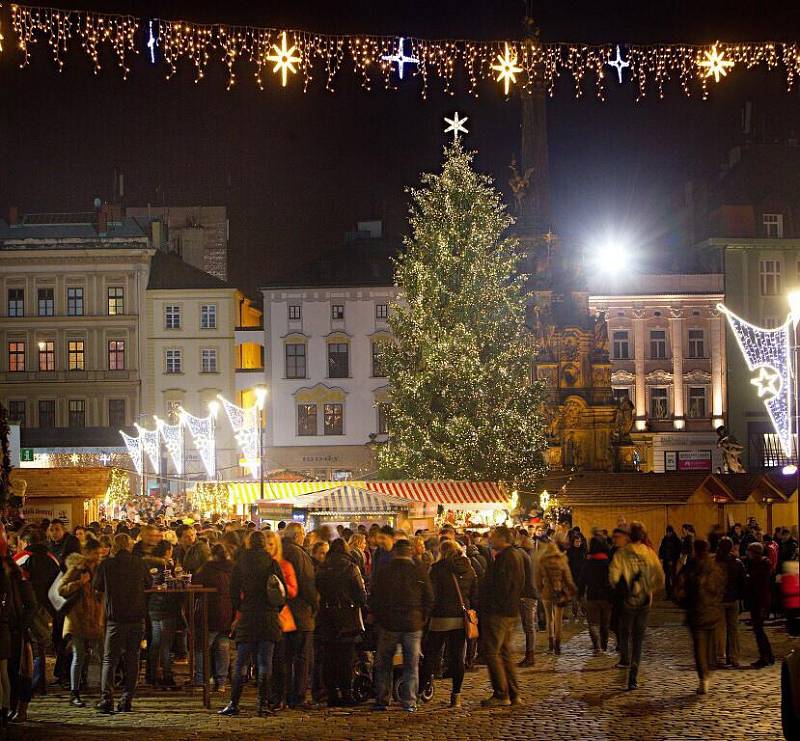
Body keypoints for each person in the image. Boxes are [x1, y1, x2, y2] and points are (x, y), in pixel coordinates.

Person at [219, 530, 286, 717]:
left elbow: (232, 592)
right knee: (265, 663)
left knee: (241, 661)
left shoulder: (241, 563)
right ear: (264, 544)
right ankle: (263, 704)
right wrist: (274, 610)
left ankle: (234, 702)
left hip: (248, 616)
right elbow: (282, 593)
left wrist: (241, 607)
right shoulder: (272, 563)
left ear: (249, 543)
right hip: (268, 616)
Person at [369, 539, 433, 712]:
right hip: (412, 623)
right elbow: (429, 596)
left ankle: (382, 699)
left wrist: (379, 618)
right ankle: (409, 701)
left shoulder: (385, 571)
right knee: (411, 664)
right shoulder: (418, 570)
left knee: (384, 664)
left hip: (389, 623)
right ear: (410, 551)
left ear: (395, 552)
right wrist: (422, 618)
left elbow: (374, 597)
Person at [93, 533, 150, 714]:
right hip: (136, 617)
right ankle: (127, 699)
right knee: (132, 659)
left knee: (110, 659)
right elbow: (149, 584)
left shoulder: (106, 565)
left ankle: (106, 699)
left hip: (115, 618)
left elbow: (97, 586)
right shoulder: (139, 563)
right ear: (129, 545)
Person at [609, 521, 664, 691]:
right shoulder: (649, 553)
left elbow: (613, 577)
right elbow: (660, 578)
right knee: (638, 639)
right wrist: (649, 589)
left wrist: (621, 586)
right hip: (645, 600)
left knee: (625, 633)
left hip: (627, 600)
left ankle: (625, 658)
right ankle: (634, 673)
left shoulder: (622, 553)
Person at [420, 539, 476, 708]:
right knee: (457, 657)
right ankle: (456, 696)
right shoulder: (469, 569)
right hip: (460, 618)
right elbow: (474, 593)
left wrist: (426, 615)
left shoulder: (437, 569)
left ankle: (421, 690)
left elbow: (431, 595)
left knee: (431, 655)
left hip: (440, 618)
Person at [315, 538, 367, 706]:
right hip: (346, 615)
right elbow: (360, 594)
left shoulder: (322, 567)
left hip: (326, 615)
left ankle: (331, 694)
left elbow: (317, 589)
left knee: (329, 657)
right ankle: (346, 693)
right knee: (346, 658)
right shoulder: (351, 567)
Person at [479, 525, 525, 707]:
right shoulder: (515, 556)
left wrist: (490, 606)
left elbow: (501, 587)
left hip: (498, 613)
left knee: (492, 653)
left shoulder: (505, 558)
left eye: (493, 536)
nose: (490, 539)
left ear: (502, 538)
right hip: (509, 611)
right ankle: (514, 693)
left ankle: (501, 693)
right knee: (505, 653)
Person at [58, 537, 105, 707]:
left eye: (99, 553)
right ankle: (74, 692)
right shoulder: (77, 569)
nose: (97, 556)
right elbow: (61, 590)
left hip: (95, 617)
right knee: (79, 656)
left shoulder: (100, 569)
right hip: (77, 618)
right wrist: (80, 582)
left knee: (99, 655)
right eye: (94, 553)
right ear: (86, 553)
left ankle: (101, 689)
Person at [14, 528, 60, 694]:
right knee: (41, 646)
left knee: (26, 647)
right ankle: (39, 683)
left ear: (26, 542)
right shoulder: (52, 558)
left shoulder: (21, 558)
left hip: (25, 609)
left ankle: (29, 684)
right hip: (47, 608)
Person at [675, 539, 724, 695]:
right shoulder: (715, 567)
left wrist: (683, 603)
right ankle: (708, 671)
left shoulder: (690, 567)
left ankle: (703, 678)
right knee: (709, 645)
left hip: (696, 612)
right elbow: (721, 588)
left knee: (699, 647)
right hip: (712, 612)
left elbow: (678, 587)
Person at [280, 522, 319, 710]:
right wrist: (314, 604)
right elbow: (306, 582)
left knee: (285, 656)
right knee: (302, 656)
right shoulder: (298, 553)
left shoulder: (280, 550)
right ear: (298, 535)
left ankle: (284, 695)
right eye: (303, 533)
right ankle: (298, 696)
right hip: (300, 611)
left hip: (282, 612)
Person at [0, 524, 35, 724]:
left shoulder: (18, 576)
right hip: (8, 628)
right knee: (8, 673)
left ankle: (19, 709)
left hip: (17, 630)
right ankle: (9, 707)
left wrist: (22, 624)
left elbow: (30, 604)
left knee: (20, 672)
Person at [265, 529, 298, 712]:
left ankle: (280, 697)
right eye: (265, 545)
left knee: (279, 661)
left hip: (281, 619)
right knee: (264, 661)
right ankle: (268, 696)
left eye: (271, 545)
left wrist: (279, 587)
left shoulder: (284, 565)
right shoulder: (258, 565)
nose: (268, 548)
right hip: (262, 619)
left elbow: (293, 590)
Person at [193, 544, 233, 691]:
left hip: (208, 612)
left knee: (202, 647)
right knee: (223, 647)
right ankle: (221, 681)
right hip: (227, 612)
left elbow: (195, 587)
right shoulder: (232, 569)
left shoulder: (206, 569)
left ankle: (200, 680)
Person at [144, 540, 182, 689]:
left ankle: (152, 674)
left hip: (153, 606)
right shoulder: (166, 566)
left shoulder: (146, 564)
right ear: (167, 551)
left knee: (156, 642)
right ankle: (167, 675)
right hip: (166, 607)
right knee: (165, 643)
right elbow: (172, 584)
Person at [535, 541, 576, 656]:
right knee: (558, 620)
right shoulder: (562, 560)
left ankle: (550, 644)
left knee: (549, 619)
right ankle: (558, 645)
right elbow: (568, 579)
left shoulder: (542, 561)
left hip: (547, 592)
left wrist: (540, 590)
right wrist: (572, 590)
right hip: (560, 593)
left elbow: (538, 580)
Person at [714, 537, 746, 668]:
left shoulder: (715, 562)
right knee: (733, 630)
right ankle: (734, 657)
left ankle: (720, 656)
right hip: (733, 599)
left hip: (719, 599)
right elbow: (743, 582)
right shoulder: (737, 563)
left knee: (720, 629)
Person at [578, 536, 614, 655]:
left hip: (592, 597)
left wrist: (580, 596)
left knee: (593, 624)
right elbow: (613, 581)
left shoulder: (588, 564)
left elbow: (582, 581)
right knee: (605, 624)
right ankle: (603, 646)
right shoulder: (608, 564)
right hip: (606, 598)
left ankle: (597, 647)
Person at [745, 542, 775, 669]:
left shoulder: (760, 565)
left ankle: (765, 656)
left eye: (749, 551)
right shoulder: (760, 564)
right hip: (760, 601)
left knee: (759, 630)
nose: (748, 553)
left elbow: (759, 586)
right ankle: (768, 656)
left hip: (759, 602)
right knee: (759, 630)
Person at [516, 531, 538, 668]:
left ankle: (530, 656)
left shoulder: (522, 554)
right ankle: (529, 655)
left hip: (527, 594)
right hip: (530, 593)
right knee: (528, 626)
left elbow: (521, 576)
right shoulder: (528, 554)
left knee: (529, 626)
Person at [566, 534, 587, 620]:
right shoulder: (569, 551)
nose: (578, 543)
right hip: (573, 576)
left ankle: (584, 611)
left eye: (579, 541)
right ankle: (575, 612)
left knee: (582, 596)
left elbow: (585, 562)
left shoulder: (583, 550)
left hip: (582, 576)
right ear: (573, 542)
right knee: (574, 596)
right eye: (576, 541)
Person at [658, 525, 682, 599]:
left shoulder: (676, 540)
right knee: (668, 578)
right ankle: (669, 594)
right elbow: (661, 548)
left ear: (671, 532)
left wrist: (673, 559)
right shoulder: (665, 539)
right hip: (666, 561)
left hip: (672, 561)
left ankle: (673, 594)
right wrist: (661, 556)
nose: (668, 534)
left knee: (672, 578)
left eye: (668, 532)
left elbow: (677, 551)